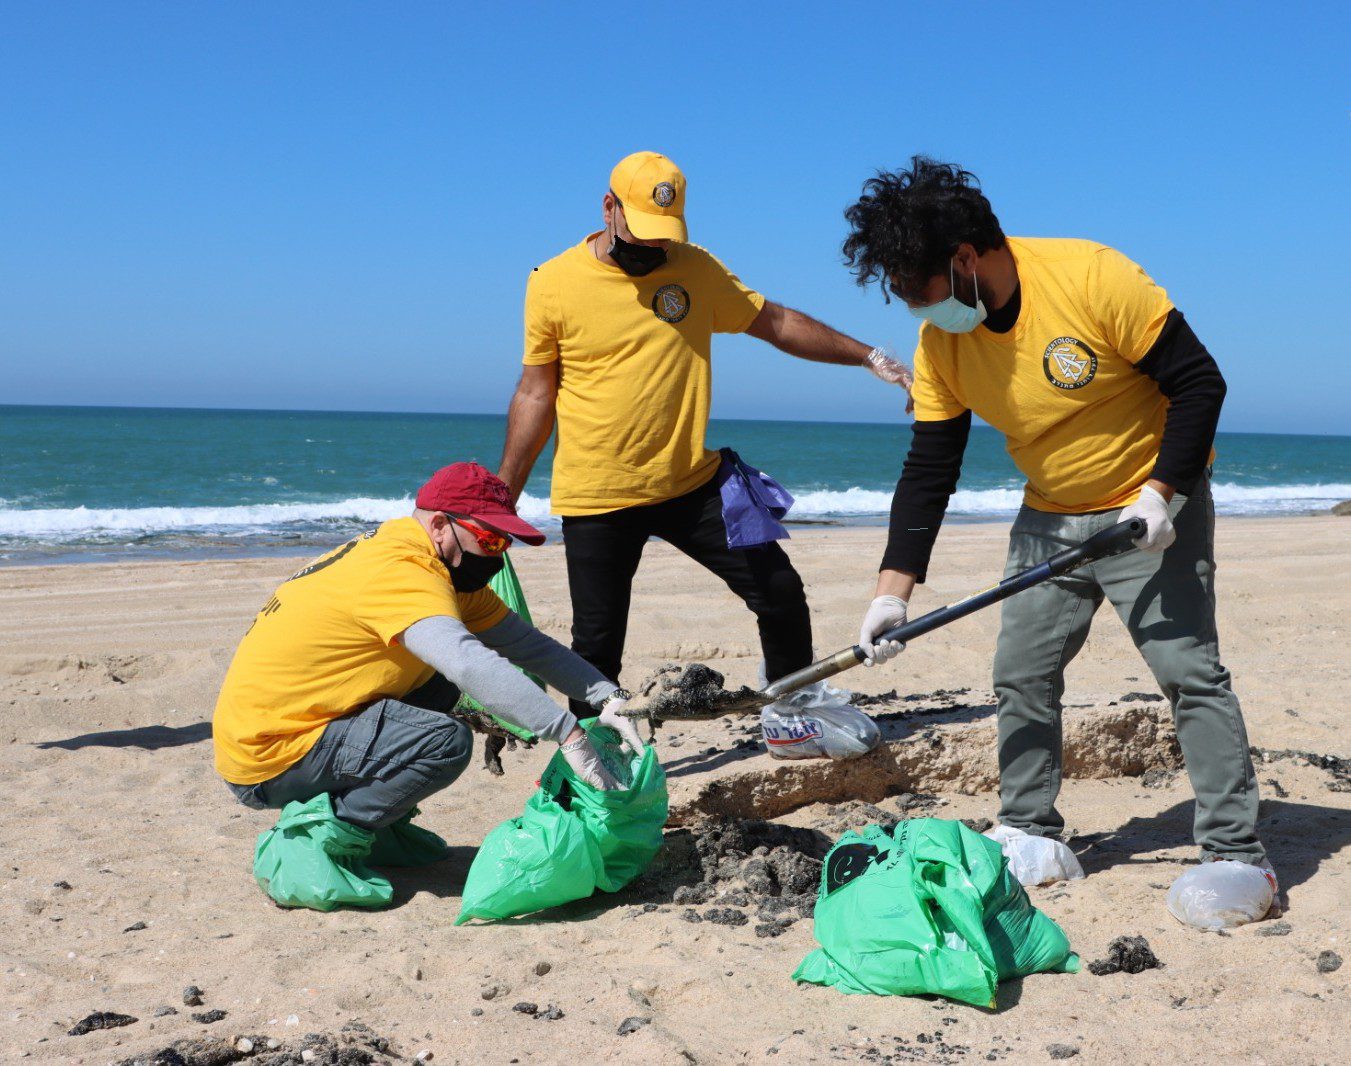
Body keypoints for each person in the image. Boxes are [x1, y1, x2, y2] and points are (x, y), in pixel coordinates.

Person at [842, 157, 1276, 924]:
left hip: (1146, 509)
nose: (916, 308)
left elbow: (1199, 382)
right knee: (1020, 671)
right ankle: (1029, 832)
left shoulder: (1091, 277)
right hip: (1048, 514)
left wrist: (1161, 493)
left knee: (1187, 672)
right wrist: (890, 593)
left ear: (965, 260)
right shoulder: (941, 345)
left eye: (919, 289)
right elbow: (929, 468)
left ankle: (1237, 855)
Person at [497, 150, 910, 753]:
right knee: (596, 645)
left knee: (778, 590)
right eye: (641, 232)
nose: (655, 249)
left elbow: (773, 321)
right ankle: (594, 757)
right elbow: (536, 393)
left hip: (692, 482)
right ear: (608, 208)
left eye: (665, 236)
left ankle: (790, 712)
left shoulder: (695, 268)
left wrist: (870, 356)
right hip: (598, 494)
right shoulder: (552, 282)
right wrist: (500, 498)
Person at [213, 462, 644, 909]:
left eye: (506, 543)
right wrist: (566, 732)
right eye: (491, 539)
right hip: (269, 756)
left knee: (436, 687)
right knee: (442, 742)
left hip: (306, 722)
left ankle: (379, 824)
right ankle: (316, 838)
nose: (498, 556)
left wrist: (605, 695)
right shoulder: (402, 572)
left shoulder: (438, 565)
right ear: (440, 524)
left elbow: (525, 646)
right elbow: (467, 661)